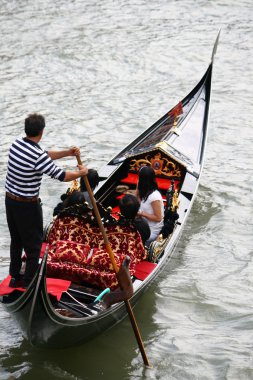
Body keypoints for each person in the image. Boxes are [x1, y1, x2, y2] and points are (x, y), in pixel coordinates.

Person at [5, 113, 88, 288]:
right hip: (27, 205)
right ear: (42, 131)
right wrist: (81, 173)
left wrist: (67, 153)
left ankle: (14, 276)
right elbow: (62, 176)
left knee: (16, 240)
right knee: (35, 245)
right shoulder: (37, 156)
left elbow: (44, 155)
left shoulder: (17, 143)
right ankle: (29, 283)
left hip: (10, 202)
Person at [136, 166, 164, 244]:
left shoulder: (154, 196)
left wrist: (141, 214)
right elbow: (137, 202)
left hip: (151, 230)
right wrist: (138, 188)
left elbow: (158, 218)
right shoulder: (143, 191)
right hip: (142, 225)